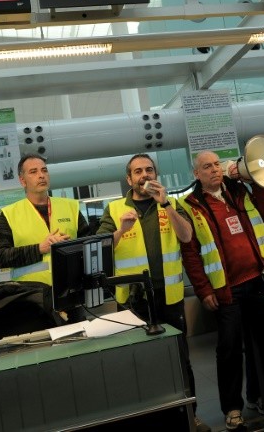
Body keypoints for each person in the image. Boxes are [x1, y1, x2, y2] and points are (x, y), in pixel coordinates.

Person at [95, 153, 211, 432]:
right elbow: (100, 247)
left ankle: (189, 415)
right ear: (129, 179)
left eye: (149, 170)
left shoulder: (171, 204)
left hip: (168, 296)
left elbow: (186, 236)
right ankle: (149, 419)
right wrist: (121, 231)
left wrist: (167, 205)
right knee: (139, 364)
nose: (144, 175)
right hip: (134, 300)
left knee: (180, 359)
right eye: (138, 171)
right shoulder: (114, 210)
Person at [180, 150, 264, 431]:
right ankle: (232, 408)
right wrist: (203, 289)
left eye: (217, 164)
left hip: (259, 281)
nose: (214, 169)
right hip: (226, 290)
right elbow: (191, 253)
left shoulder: (239, 191)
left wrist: (258, 183)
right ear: (197, 174)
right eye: (207, 166)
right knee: (229, 350)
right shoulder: (191, 205)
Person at [0, 153, 90, 321]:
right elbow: (1, 257)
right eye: (33, 172)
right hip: (31, 298)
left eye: (44, 170)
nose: (41, 175)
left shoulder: (71, 207)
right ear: (22, 181)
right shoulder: (10, 214)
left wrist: (71, 246)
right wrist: (40, 248)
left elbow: (90, 243)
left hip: (71, 294)